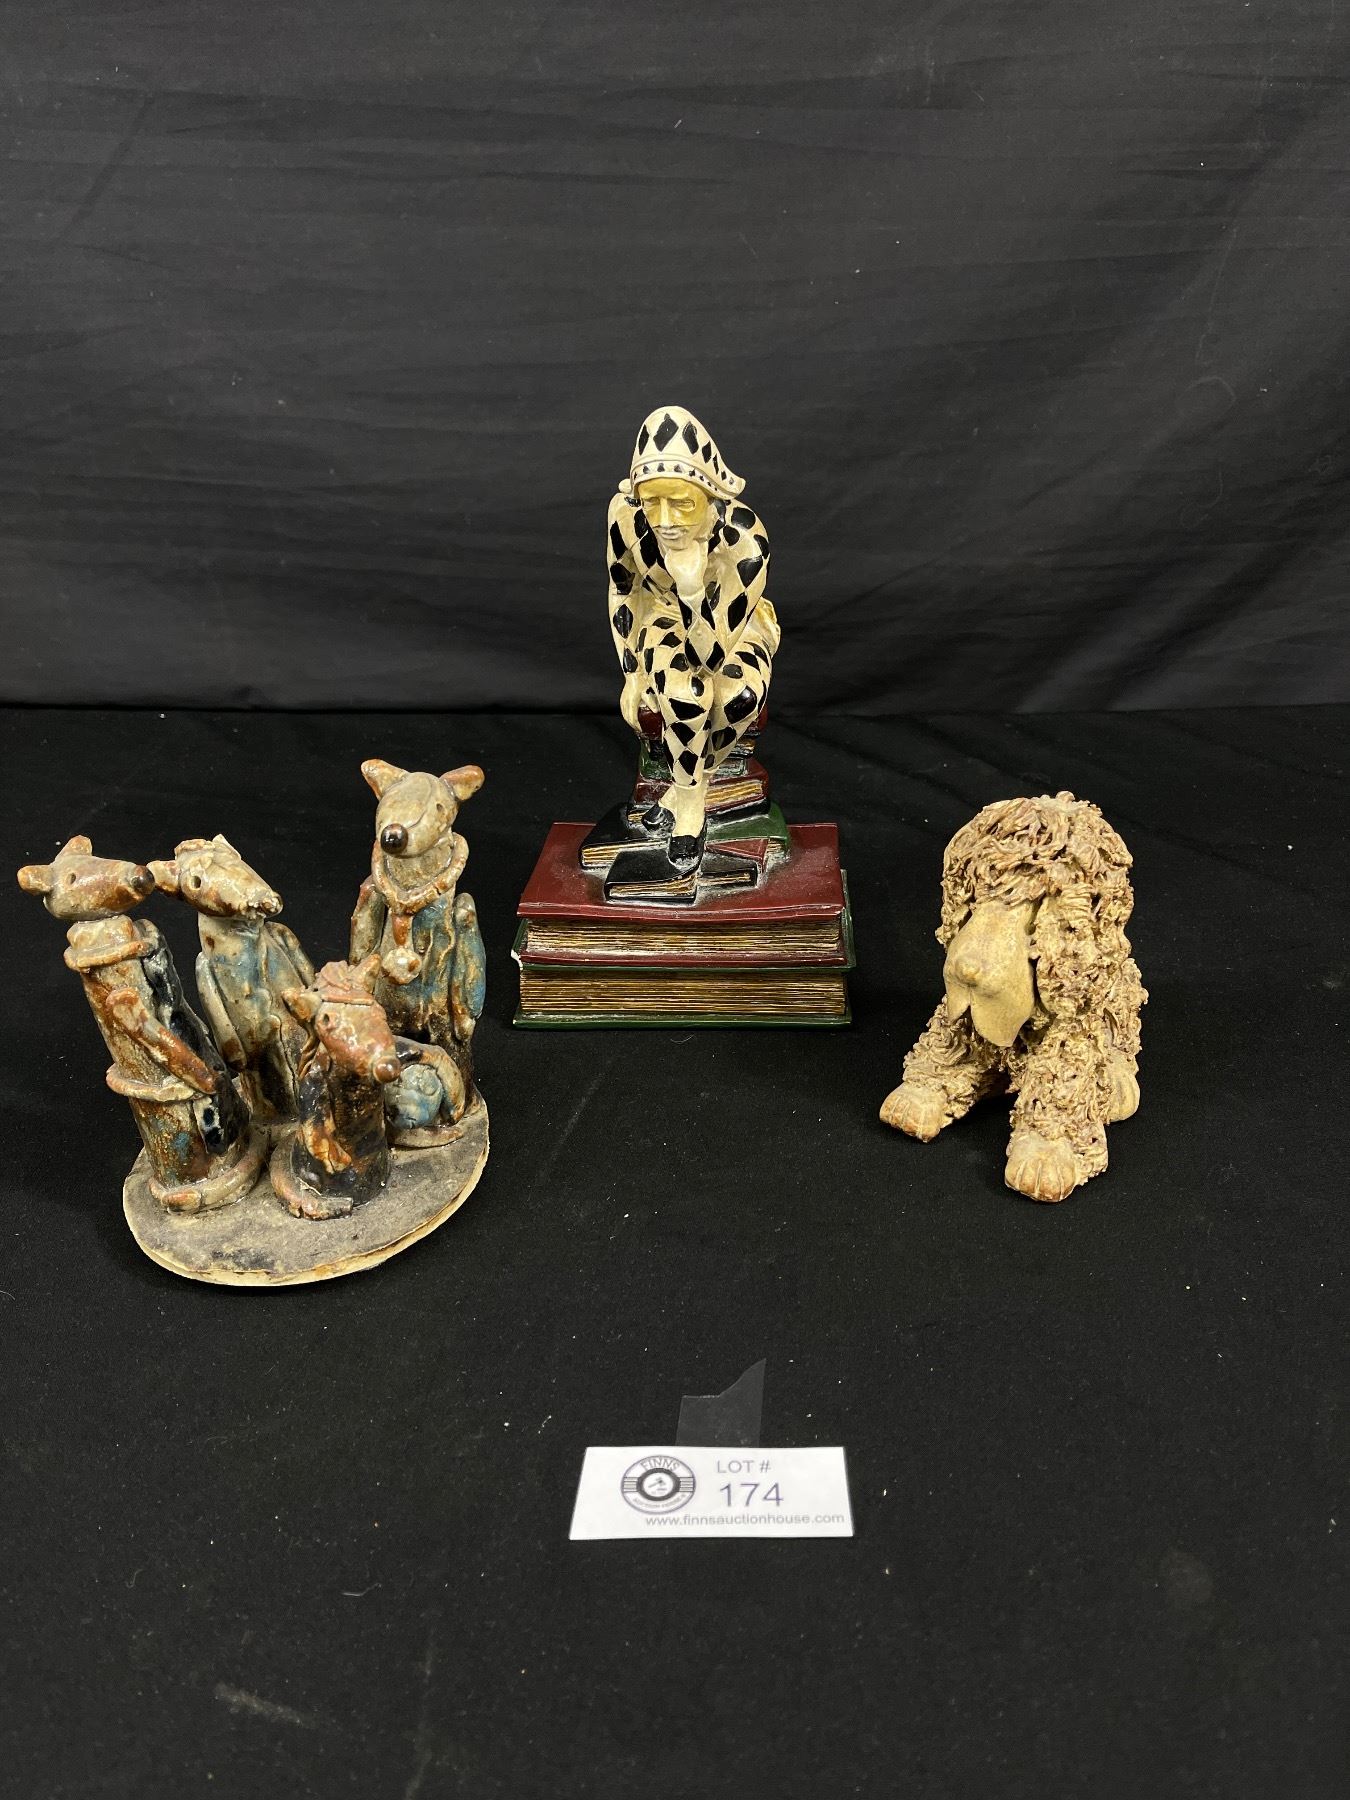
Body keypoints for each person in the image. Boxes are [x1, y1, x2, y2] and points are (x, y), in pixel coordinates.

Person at [605, 405, 780, 871]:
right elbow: (623, 589)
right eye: (651, 502)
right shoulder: (625, 516)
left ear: (710, 495)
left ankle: (686, 790)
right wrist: (631, 672)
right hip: (662, 613)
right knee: (686, 697)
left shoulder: (744, 540)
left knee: (739, 697)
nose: (664, 520)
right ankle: (689, 806)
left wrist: (691, 586)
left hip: (729, 623)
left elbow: (709, 656)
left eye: (682, 503)